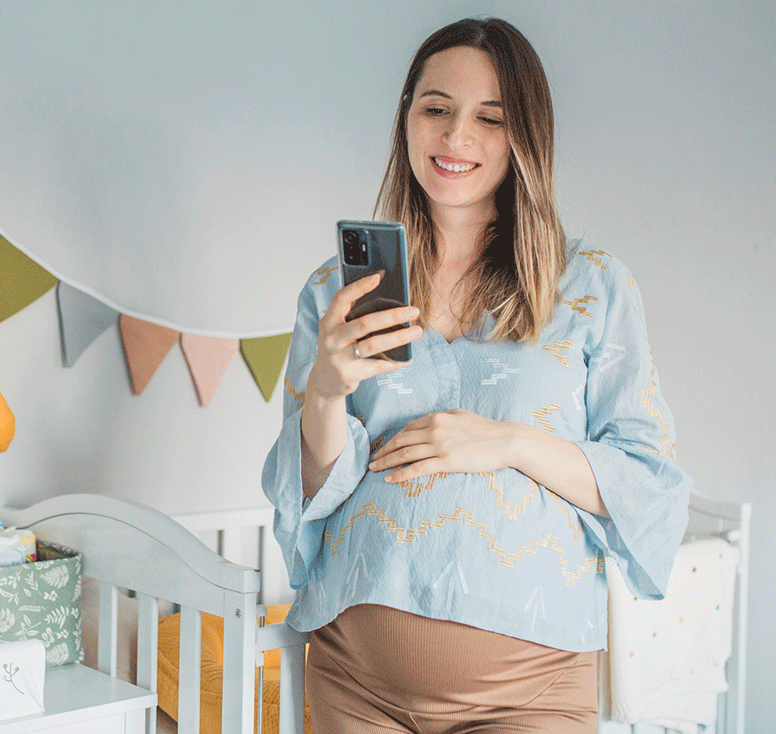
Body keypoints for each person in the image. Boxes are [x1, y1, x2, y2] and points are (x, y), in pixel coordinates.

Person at [261, 17, 692, 734]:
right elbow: (306, 496)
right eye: (436, 108)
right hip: (352, 680)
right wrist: (328, 391)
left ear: (525, 137)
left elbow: (646, 485)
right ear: (406, 118)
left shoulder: (593, 288)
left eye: (489, 119)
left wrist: (510, 444)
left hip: (529, 692)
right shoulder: (336, 290)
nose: (456, 136)